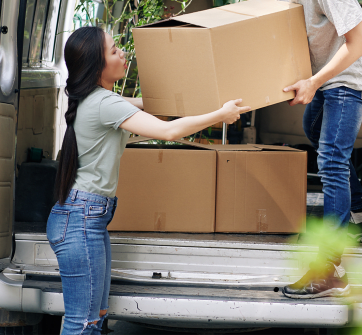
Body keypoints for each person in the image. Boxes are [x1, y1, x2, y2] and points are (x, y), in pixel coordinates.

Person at [46, 26, 249, 334]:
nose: (122, 53)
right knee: (82, 323)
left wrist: (205, 97)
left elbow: (150, 104)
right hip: (81, 219)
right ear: (96, 65)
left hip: (85, 217)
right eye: (114, 51)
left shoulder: (100, 98)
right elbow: (168, 131)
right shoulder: (104, 103)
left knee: (96, 316)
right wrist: (220, 114)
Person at [244, 0, 362, 299]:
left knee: (330, 158)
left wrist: (313, 81)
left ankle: (331, 267)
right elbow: (265, 2)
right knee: (317, 133)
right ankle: (358, 212)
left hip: (351, 73)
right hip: (322, 72)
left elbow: (359, 40)